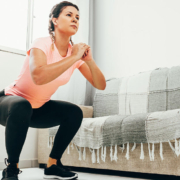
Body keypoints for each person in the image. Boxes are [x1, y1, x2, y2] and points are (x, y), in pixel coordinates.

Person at [0, 1, 106, 180]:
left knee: (74, 112)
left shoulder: (75, 55)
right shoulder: (41, 43)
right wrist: (74, 57)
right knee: (22, 105)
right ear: (54, 20)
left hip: (37, 110)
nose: (75, 20)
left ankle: (53, 165)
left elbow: (100, 84)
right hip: (9, 104)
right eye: (69, 15)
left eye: (78, 17)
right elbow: (39, 77)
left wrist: (89, 60)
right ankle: (12, 168)